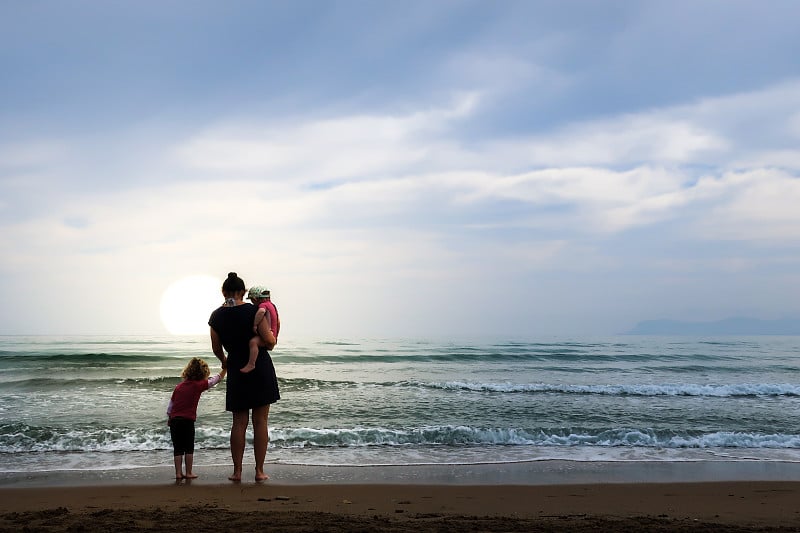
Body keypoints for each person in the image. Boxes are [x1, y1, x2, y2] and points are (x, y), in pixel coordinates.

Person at [208, 272, 280, 482]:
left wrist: (224, 361)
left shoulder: (216, 316)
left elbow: (216, 347)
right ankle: (259, 471)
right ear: (244, 292)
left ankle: (237, 471)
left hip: (237, 367)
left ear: (223, 292)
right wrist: (272, 340)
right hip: (259, 367)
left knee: (238, 423)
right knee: (261, 421)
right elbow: (269, 340)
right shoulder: (254, 310)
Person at [167, 357, 226, 480]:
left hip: (175, 420)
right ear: (202, 373)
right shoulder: (198, 385)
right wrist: (224, 371)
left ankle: (178, 473)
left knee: (177, 448)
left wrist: (170, 417)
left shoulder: (179, 387)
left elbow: (171, 405)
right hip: (187, 420)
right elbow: (213, 381)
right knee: (189, 447)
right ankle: (188, 472)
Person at [241, 285, 281, 374]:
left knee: (253, 342)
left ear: (255, 299)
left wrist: (255, 324)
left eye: (251, 300)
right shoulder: (272, 305)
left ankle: (251, 364)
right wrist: (275, 337)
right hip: (272, 334)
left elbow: (261, 312)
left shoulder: (263, 305)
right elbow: (278, 322)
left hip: (268, 334)